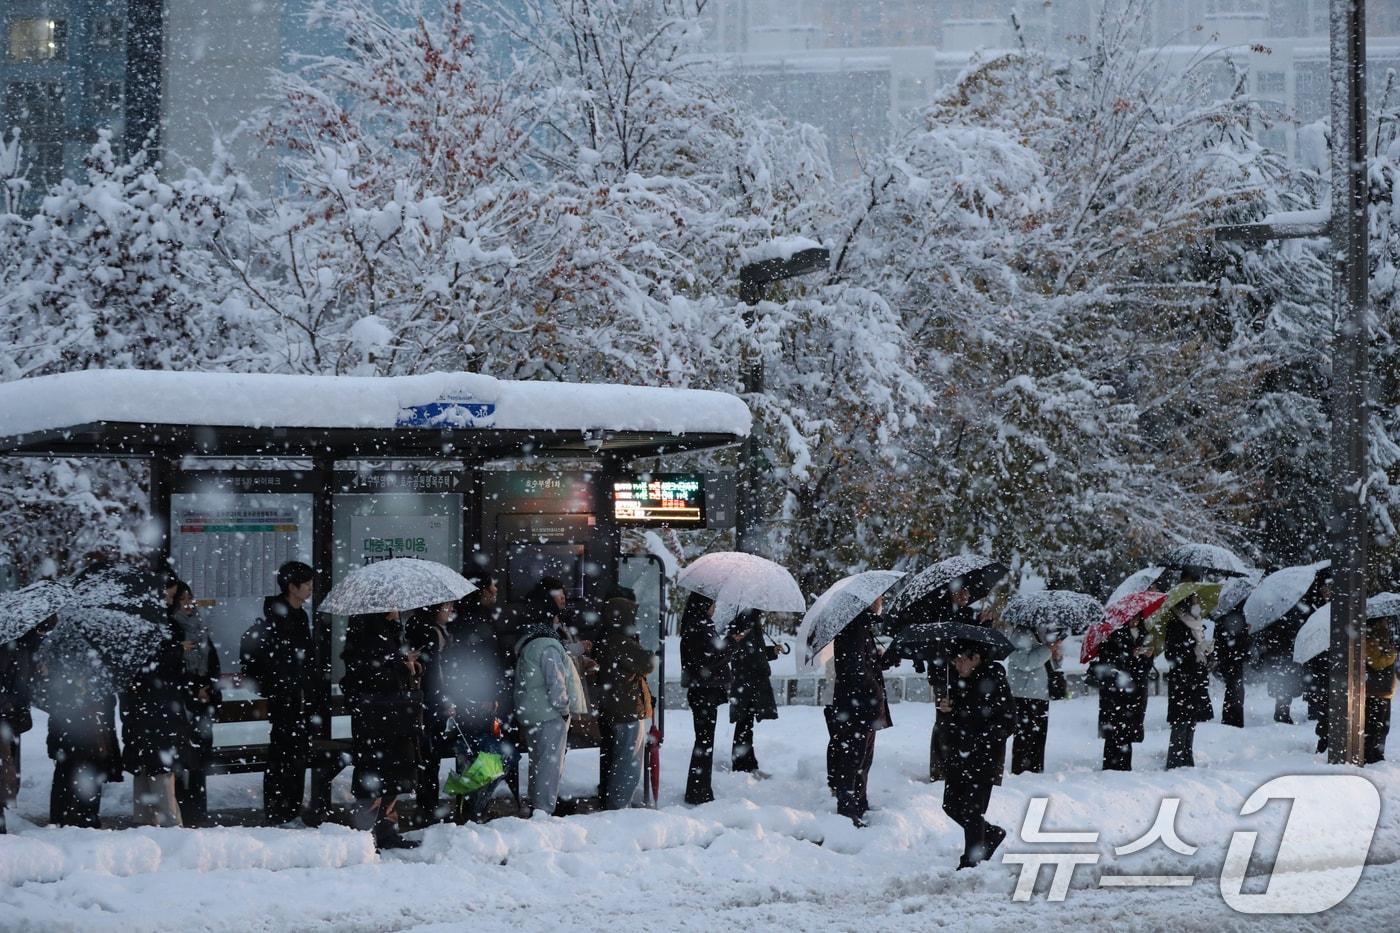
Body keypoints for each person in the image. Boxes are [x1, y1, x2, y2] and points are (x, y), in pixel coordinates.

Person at [342, 609, 424, 850]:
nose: (397, 607)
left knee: (391, 772)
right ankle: (367, 834)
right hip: (378, 716)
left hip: (389, 715)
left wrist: (408, 665)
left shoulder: (386, 631)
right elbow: (369, 675)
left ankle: (383, 830)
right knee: (376, 772)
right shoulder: (369, 634)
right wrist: (402, 666)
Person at [241, 560, 315, 825]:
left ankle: (289, 807)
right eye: (305, 584)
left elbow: (304, 656)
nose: (310, 589)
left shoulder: (298, 616)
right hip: (283, 694)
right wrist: (284, 682)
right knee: (284, 752)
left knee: (294, 751)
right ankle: (279, 809)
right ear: (292, 587)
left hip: (296, 694)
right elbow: (277, 660)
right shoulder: (276, 617)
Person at [940, 642, 1014, 869]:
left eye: (962, 659)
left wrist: (979, 735)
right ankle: (990, 834)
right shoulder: (958, 681)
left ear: (976, 658)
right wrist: (948, 711)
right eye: (955, 661)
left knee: (972, 810)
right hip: (958, 753)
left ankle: (970, 861)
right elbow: (957, 718)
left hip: (983, 755)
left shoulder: (993, 681)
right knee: (951, 805)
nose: (958, 664)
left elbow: (1008, 722)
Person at [123, 587, 192, 828]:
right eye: (170, 596)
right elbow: (148, 664)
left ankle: (149, 829)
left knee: (151, 777)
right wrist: (177, 650)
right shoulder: (155, 629)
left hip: (153, 713)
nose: (172, 601)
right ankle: (167, 831)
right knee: (158, 778)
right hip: (156, 712)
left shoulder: (161, 625)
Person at [513, 605, 587, 816]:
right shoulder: (549, 646)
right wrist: (564, 709)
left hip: (532, 712)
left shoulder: (529, 643)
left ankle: (538, 806)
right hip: (549, 714)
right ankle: (544, 810)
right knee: (550, 764)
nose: (558, 622)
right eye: (555, 618)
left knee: (538, 761)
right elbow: (556, 683)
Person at [40, 644, 123, 828]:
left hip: (87, 741)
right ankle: (70, 818)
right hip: (75, 742)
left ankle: (79, 818)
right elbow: (55, 712)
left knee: (81, 780)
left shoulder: (98, 685)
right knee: (70, 779)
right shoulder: (64, 685)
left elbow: (108, 707)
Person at [828, 600, 892, 827]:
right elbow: (855, 668)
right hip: (857, 706)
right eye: (878, 600)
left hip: (861, 705)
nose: (881, 604)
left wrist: (885, 658)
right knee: (853, 758)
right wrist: (875, 691)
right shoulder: (854, 628)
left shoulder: (861, 627)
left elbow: (865, 663)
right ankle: (848, 809)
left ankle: (858, 801)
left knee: (862, 757)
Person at [679, 593, 746, 805]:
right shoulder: (699, 628)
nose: (714, 608)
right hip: (704, 692)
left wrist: (727, 642)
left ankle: (699, 789)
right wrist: (731, 643)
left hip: (704, 691)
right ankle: (698, 791)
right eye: (712, 604)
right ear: (704, 605)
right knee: (704, 743)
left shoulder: (698, 625)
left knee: (704, 742)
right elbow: (709, 659)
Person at [592, 592, 655, 810]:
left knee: (616, 758)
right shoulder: (620, 642)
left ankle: (613, 801)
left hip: (611, 708)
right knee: (628, 762)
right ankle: (618, 806)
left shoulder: (606, 637)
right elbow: (647, 663)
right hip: (627, 709)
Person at [1, 613, 57, 834]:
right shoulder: (13, 645)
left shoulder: (26, 644)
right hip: (8, 714)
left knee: (7, 769)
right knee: (6, 768)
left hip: (12, 716)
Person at [927, 581, 977, 782]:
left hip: (963, 675)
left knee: (960, 720)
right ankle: (939, 768)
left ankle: (956, 763)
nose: (965, 594)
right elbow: (937, 647)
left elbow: (975, 642)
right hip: (944, 675)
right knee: (943, 719)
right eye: (960, 590)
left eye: (967, 590)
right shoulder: (940, 615)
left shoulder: (970, 614)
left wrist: (984, 624)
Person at [1091, 615, 1153, 771]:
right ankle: (1111, 765)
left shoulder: (1143, 634)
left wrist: (1147, 657)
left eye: (1138, 617)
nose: (1135, 621)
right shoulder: (1113, 635)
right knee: (1115, 730)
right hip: (1116, 691)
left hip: (1135, 689)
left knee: (1128, 731)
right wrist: (1129, 655)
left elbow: (1144, 668)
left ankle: (1125, 765)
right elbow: (1109, 662)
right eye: (1132, 618)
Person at [1164, 594, 1213, 769]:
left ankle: (1186, 758)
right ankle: (1175, 761)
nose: (1197, 605)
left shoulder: (1198, 625)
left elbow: (1200, 652)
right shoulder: (1176, 625)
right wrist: (1192, 649)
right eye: (1194, 601)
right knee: (1180, 721)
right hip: (1182, 681)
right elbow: (1172, 655)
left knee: (1191, 721)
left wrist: (1207, 652)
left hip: (1196, 678)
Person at [728, 609, 779, 775]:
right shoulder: (746, 625)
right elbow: (751, 655)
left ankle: (747, 763)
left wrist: (771, 652)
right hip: (747, 684)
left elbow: (755, 652)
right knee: (744, 724)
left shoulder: (749, 624)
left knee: (745, 724)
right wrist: (763, 666)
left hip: (746, 684)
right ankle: (742, 764)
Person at [1005, 628, 1055, 774]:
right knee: (1025, 737)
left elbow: (1045, 662)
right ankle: (1022, 770)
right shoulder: (1020, 634)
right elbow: (1025, 662)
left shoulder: (1039, 632)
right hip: (1024, 694)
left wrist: (1055, 654)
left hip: (1039, 694)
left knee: (1038, 737)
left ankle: (1036, 769)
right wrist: (1047, 650)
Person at [1364, 617, 1397, 764]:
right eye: (1384, 622)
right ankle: (1370, 755)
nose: (1386, 624)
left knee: (1383, 727)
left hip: (1383, 690)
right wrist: (1392, 654)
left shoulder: (1382, 639)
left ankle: (1377, 754)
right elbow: (1376, 663)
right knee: (1374, 727)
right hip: (1375, 691)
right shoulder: (1371, 638)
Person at [1214, 605, 1249, 728]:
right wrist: (1246, 632)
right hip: (1233, 658)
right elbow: (1240, 641)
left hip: (1227, 658)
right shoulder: (1237, 615)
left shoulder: (1222, 615)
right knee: (1235, 690)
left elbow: (1218, 639)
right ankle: (1234, 720)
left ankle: (1230, 718)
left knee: (1233, 689)